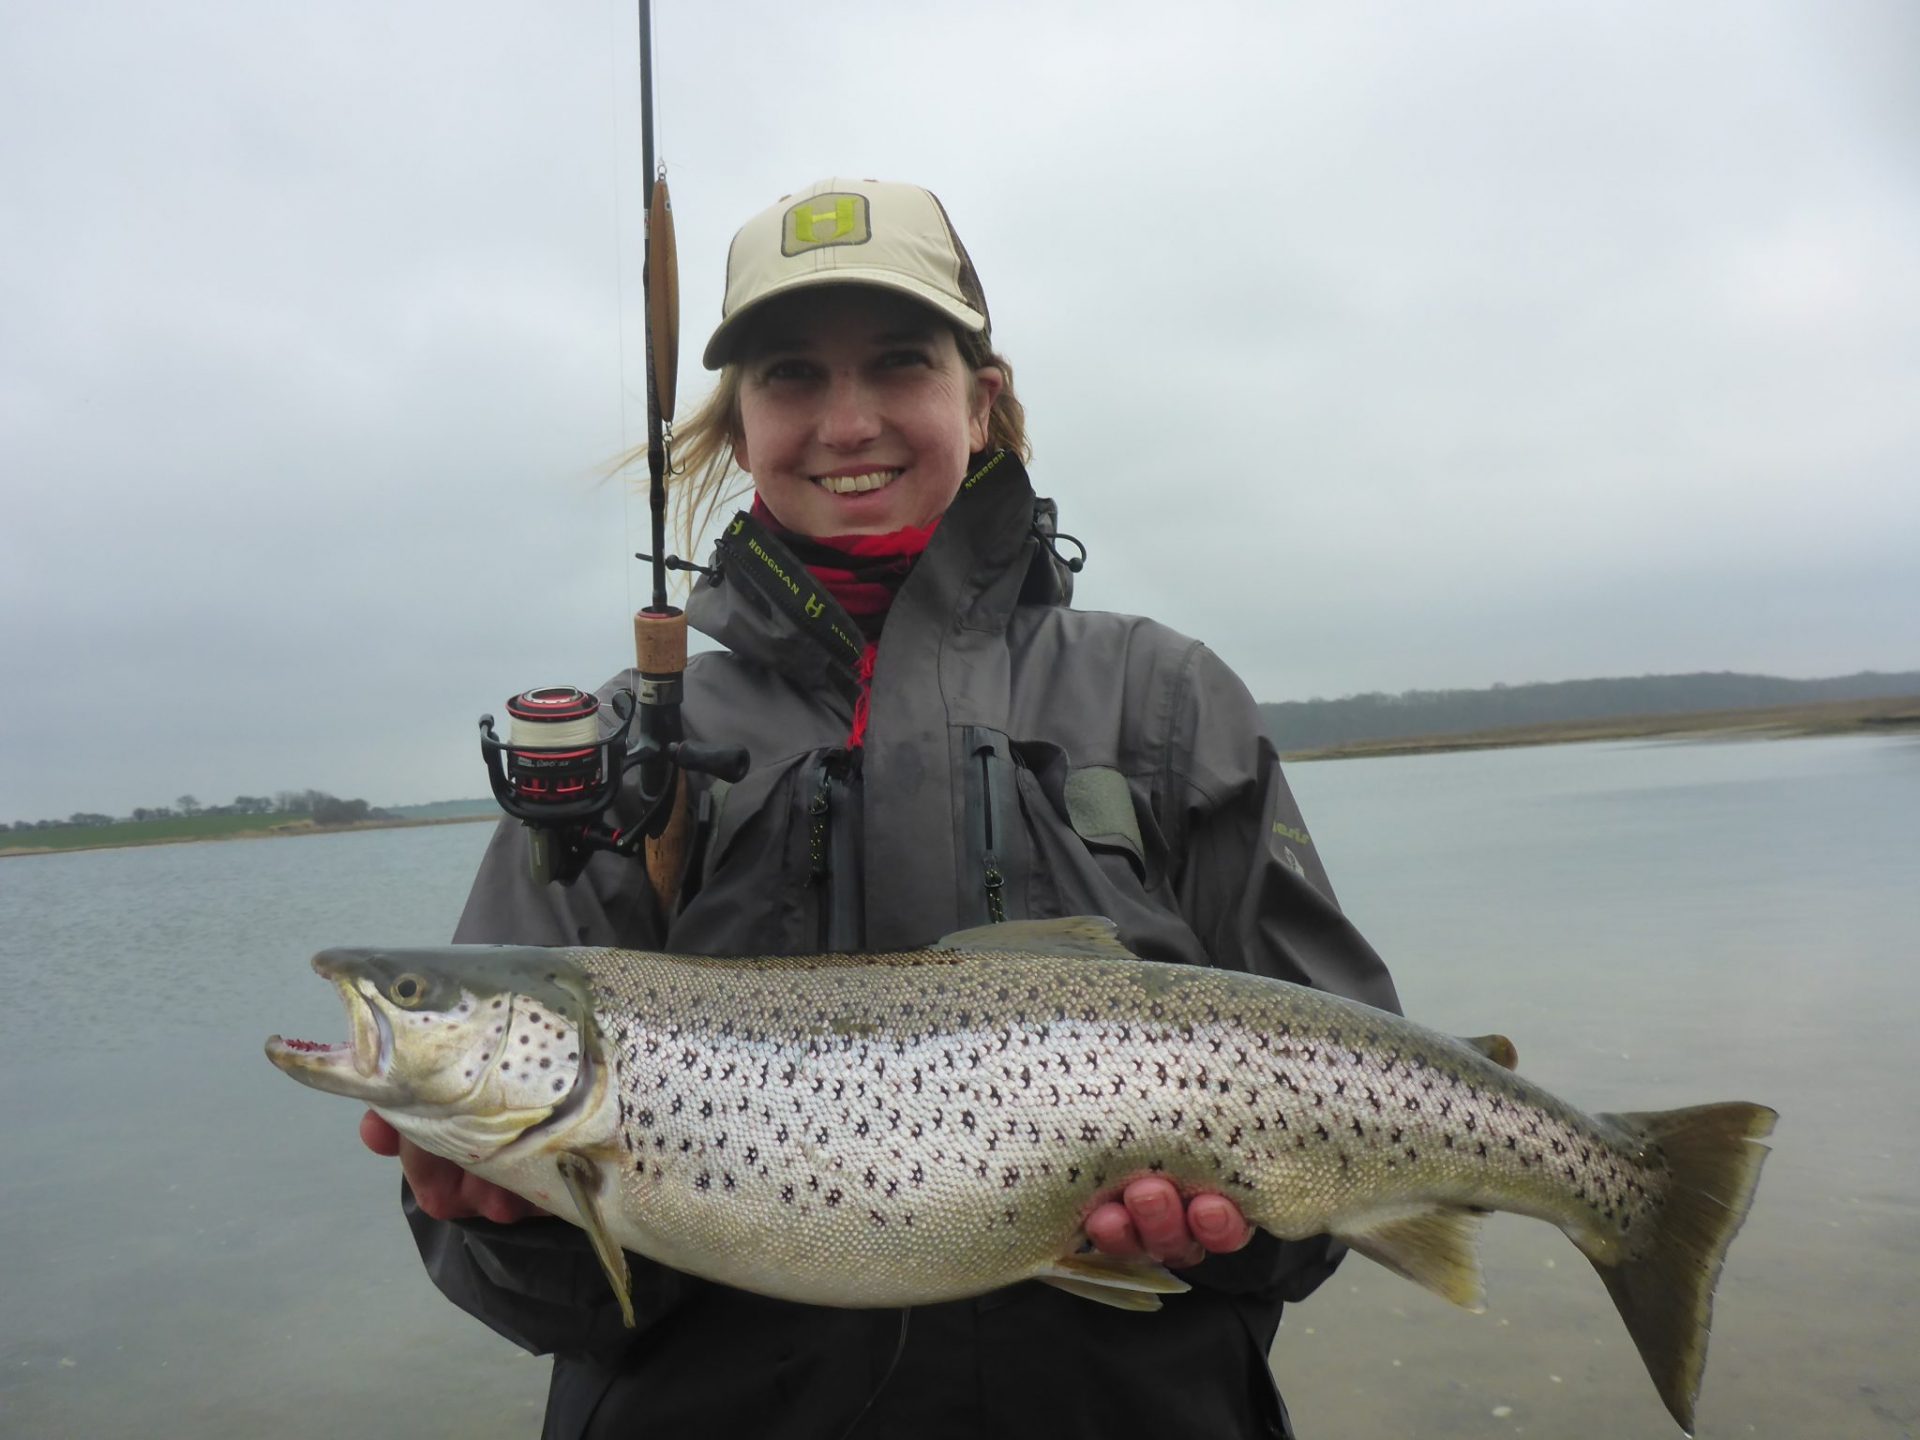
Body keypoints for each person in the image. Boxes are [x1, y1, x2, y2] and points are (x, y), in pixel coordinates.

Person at [362, 176, 1399, 1439]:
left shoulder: (1166, 699)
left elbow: (1350, 1126)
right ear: (739, 430)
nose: (846, 421)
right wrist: (523, 1224)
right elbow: (529, 1299)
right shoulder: (628, 754)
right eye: (792, 376)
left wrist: (1232, 1234)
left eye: (898, 363)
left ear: (982, 395)